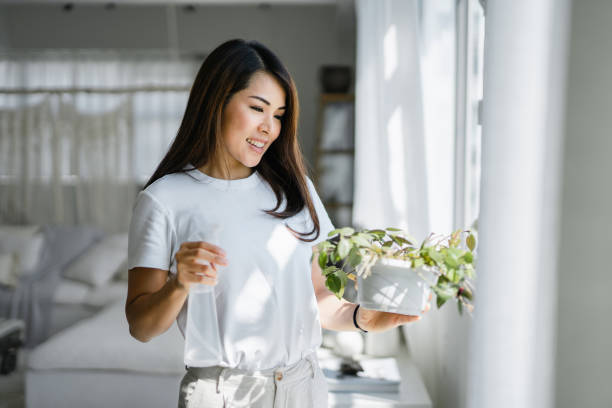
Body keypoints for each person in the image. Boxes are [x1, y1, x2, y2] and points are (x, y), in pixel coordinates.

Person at [125, 39, 429, 408]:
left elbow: (318, 299)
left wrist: (364, 319)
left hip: (303, 387)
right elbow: (142, 327)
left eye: (279, 115)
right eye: (258, 109)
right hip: (221, 395)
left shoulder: (296, 190)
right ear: (215, 102)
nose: (270, 128)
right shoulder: (164, 199)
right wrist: (178, 284)